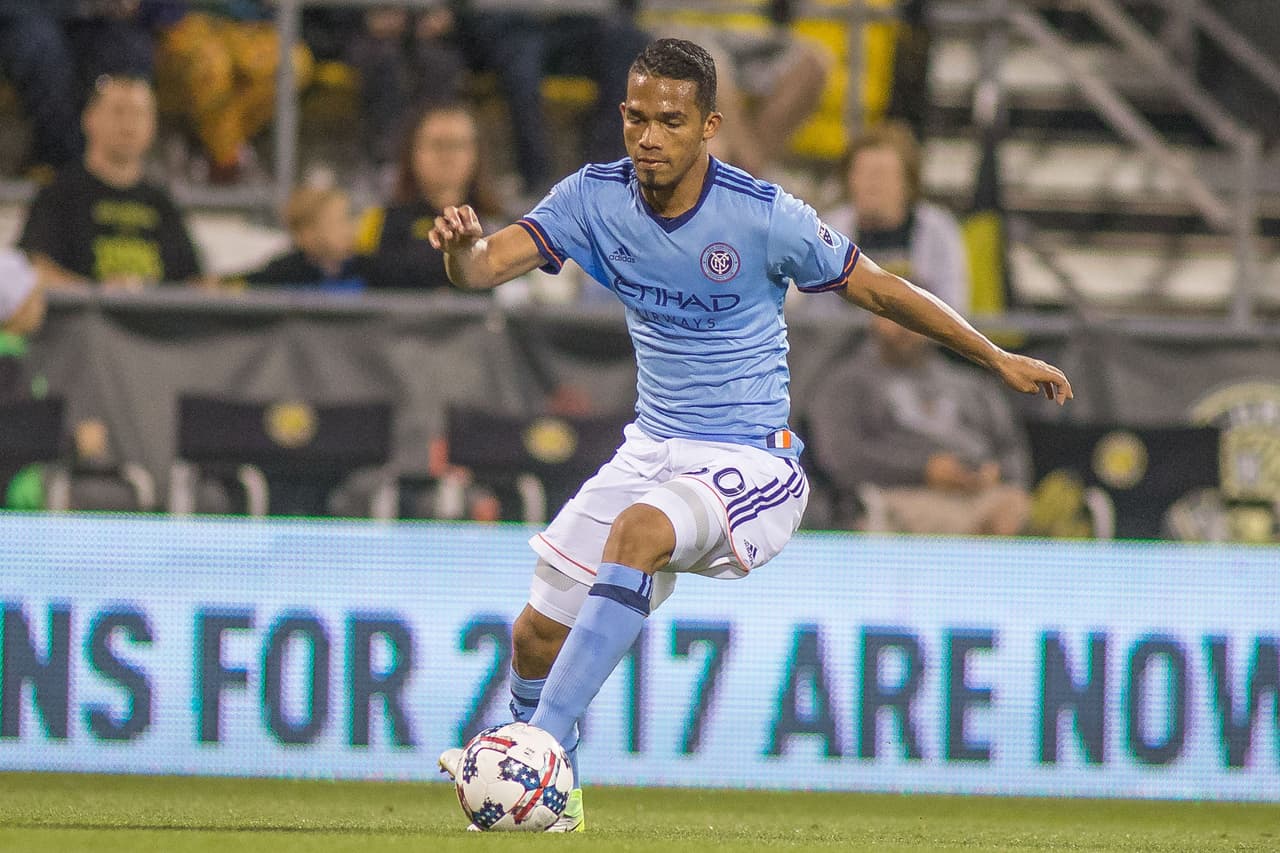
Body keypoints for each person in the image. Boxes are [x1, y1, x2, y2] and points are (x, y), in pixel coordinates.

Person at [429, 38, 1071, 833]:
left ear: (709, 127)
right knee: (533, 637)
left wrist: (995, 355)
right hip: (651, 448)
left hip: (751, 459)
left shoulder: (763, 215)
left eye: (671, 122)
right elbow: (484, 268)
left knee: (639, 531)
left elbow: (878, 288)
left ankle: (538, 747)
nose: (649, 137)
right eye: (637, 118)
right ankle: (553, 789)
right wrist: (461, 251)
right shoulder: (592, 198)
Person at [806, 313, 1033, 535]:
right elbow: (842, 456)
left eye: (914, 315)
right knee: (951, 522)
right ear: (873, 320)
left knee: (1013, 509)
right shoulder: (846, 383)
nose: (904, 327)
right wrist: (924, 470)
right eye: (892, 315)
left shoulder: (971, 384)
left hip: (980, 492)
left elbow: (1012, 450)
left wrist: (995, 473)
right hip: (897, 494)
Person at [17, 74, 204, 289]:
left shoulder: (162, 201)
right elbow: (33, 269)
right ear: (89, 118)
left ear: (153, 125)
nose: (129, 124)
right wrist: (99, 295)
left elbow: (194, 281)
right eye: (118, 111)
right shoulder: (59, 194)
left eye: (139, 113)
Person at [793, 121, 969, 319]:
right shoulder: (826, 230)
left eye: (882, 174)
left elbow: (953, 307)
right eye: (863, 173)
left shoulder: (938, 231)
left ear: (908, 182)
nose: (872, 184)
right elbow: (815, 314)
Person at [357, 103, 504, 291]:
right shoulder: (379, 223)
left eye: (458, 145)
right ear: (412, 151)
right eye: (437, 144)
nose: (447, 156)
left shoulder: (498, 224)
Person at [239, 186, 369, 290]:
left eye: (350, 219)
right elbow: (236, 288)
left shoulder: (368, 272)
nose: (350, 229)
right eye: (338, 222)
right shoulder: (282, 275)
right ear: (307, 234)